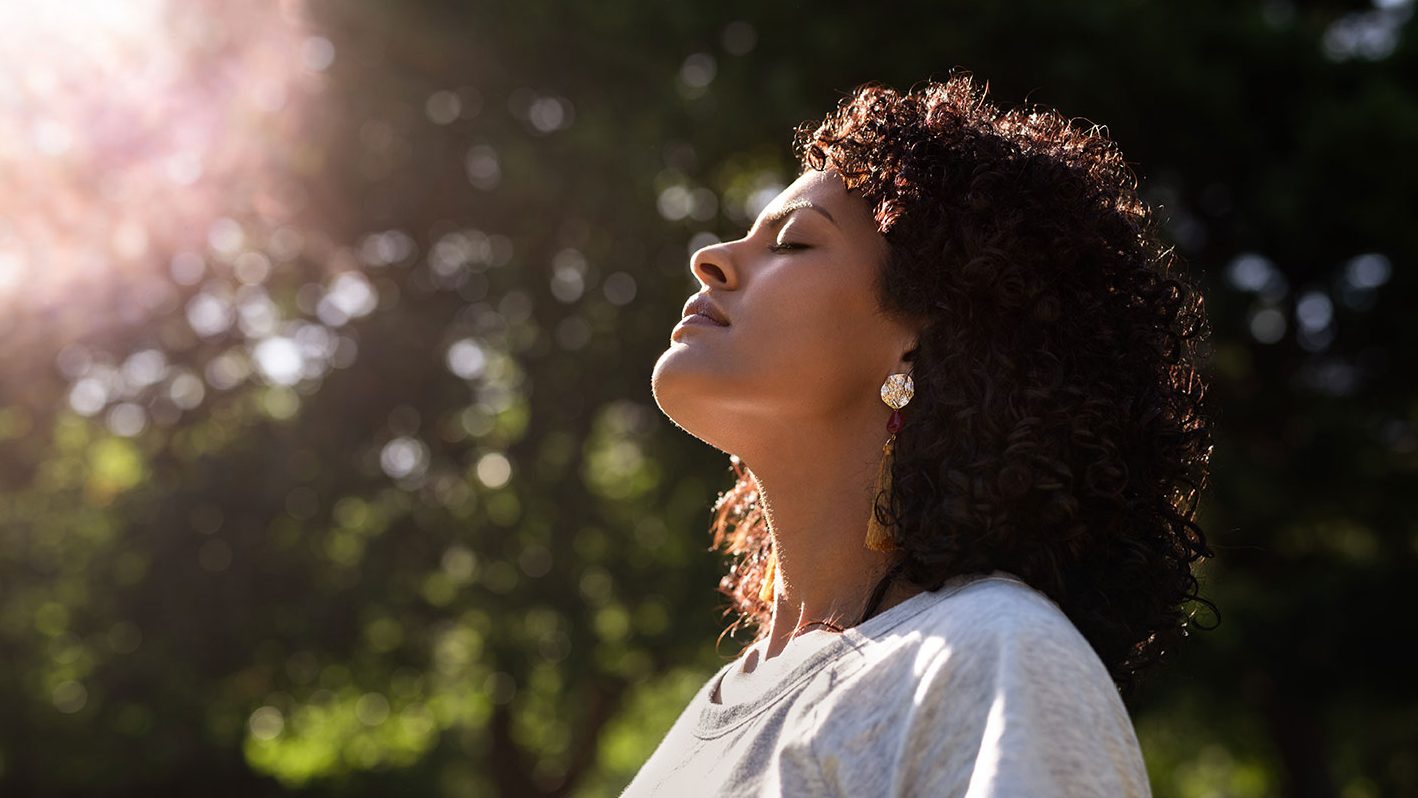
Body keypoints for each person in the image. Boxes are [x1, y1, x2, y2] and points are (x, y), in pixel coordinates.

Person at [627, 71, 1215, 797]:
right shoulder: (711, 709)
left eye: (794, 243)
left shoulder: (991, 653)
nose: (710, 258)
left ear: (922, 339)